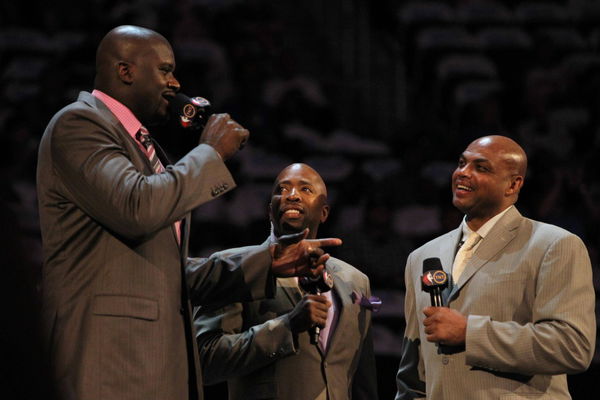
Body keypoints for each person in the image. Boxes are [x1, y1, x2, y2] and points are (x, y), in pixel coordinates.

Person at [36, 26, 340, 400]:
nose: (175, 81)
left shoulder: (142, 147)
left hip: (151, 364)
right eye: (164, 70)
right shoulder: (80, 124)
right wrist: (209, 153)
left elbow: (169, 272)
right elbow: (138, 208)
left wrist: (268, 262)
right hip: (109, 363)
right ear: (125, 71)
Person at [395, 135, 596, 399]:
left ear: (513, 184)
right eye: (461, 163)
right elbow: (414, 371)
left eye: (481, 168)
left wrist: (470, 332)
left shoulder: (555, 245)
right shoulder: (422, 256)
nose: (463, 173)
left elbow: (572, 346)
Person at [194, 163, 379, 400]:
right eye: (282, 189)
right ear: (270, 210)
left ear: (324, 212)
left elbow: (363, 381)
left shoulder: (355, 281)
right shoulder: (233, 268)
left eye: (305, 189)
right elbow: (205, 361)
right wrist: (287, 326)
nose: (292, 196)